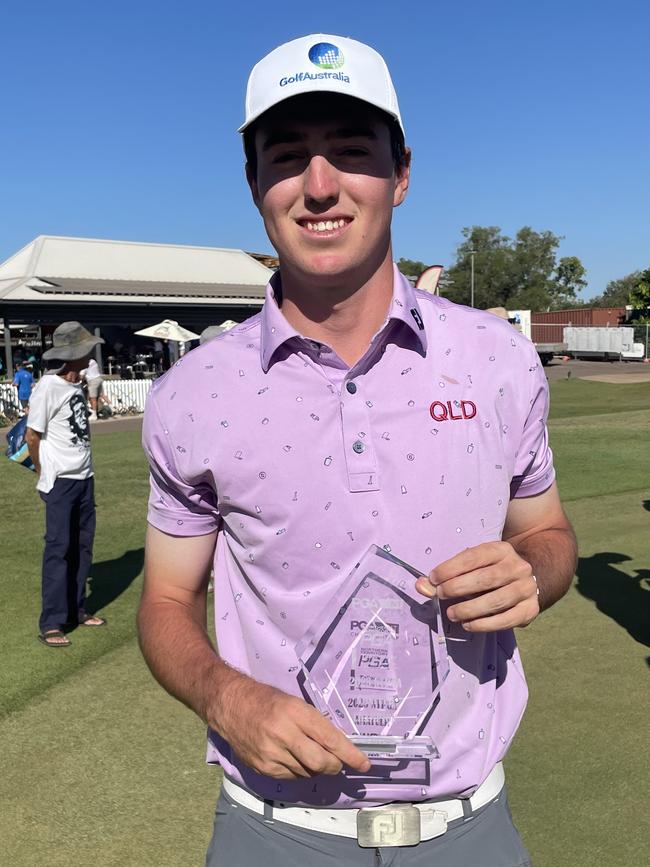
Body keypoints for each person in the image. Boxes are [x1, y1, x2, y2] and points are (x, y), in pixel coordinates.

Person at [138, 34, 578, 866]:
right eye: (287, 157)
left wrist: (535, 571)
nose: (319, 185)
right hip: (273, 830)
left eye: (349, 152)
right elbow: (165, 600)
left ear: (401, 174)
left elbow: (549, 537)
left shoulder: (499, 359)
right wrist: (223, 694)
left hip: (468, 829)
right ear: (254, 185)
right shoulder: (192, 393)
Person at [25, 321, 107, 648]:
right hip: (60, 480)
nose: (89, 354)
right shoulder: (48, 386)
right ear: (73, 354)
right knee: (58, 549)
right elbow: (33, 435)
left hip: (85, 477)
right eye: (85, 350)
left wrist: (89, 386)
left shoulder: (75, 383)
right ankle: (52, 621)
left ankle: (77, 610)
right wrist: (43, 472)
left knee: (82, 546)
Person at [80, 355, 105, 420]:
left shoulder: (85, 364)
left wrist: (81, 381)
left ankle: (94, 415)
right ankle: (98, 412)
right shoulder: (93, 361)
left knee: (92, 398)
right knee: (98, 397)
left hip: (92, 381)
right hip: (99, 379)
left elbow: (82, 376)